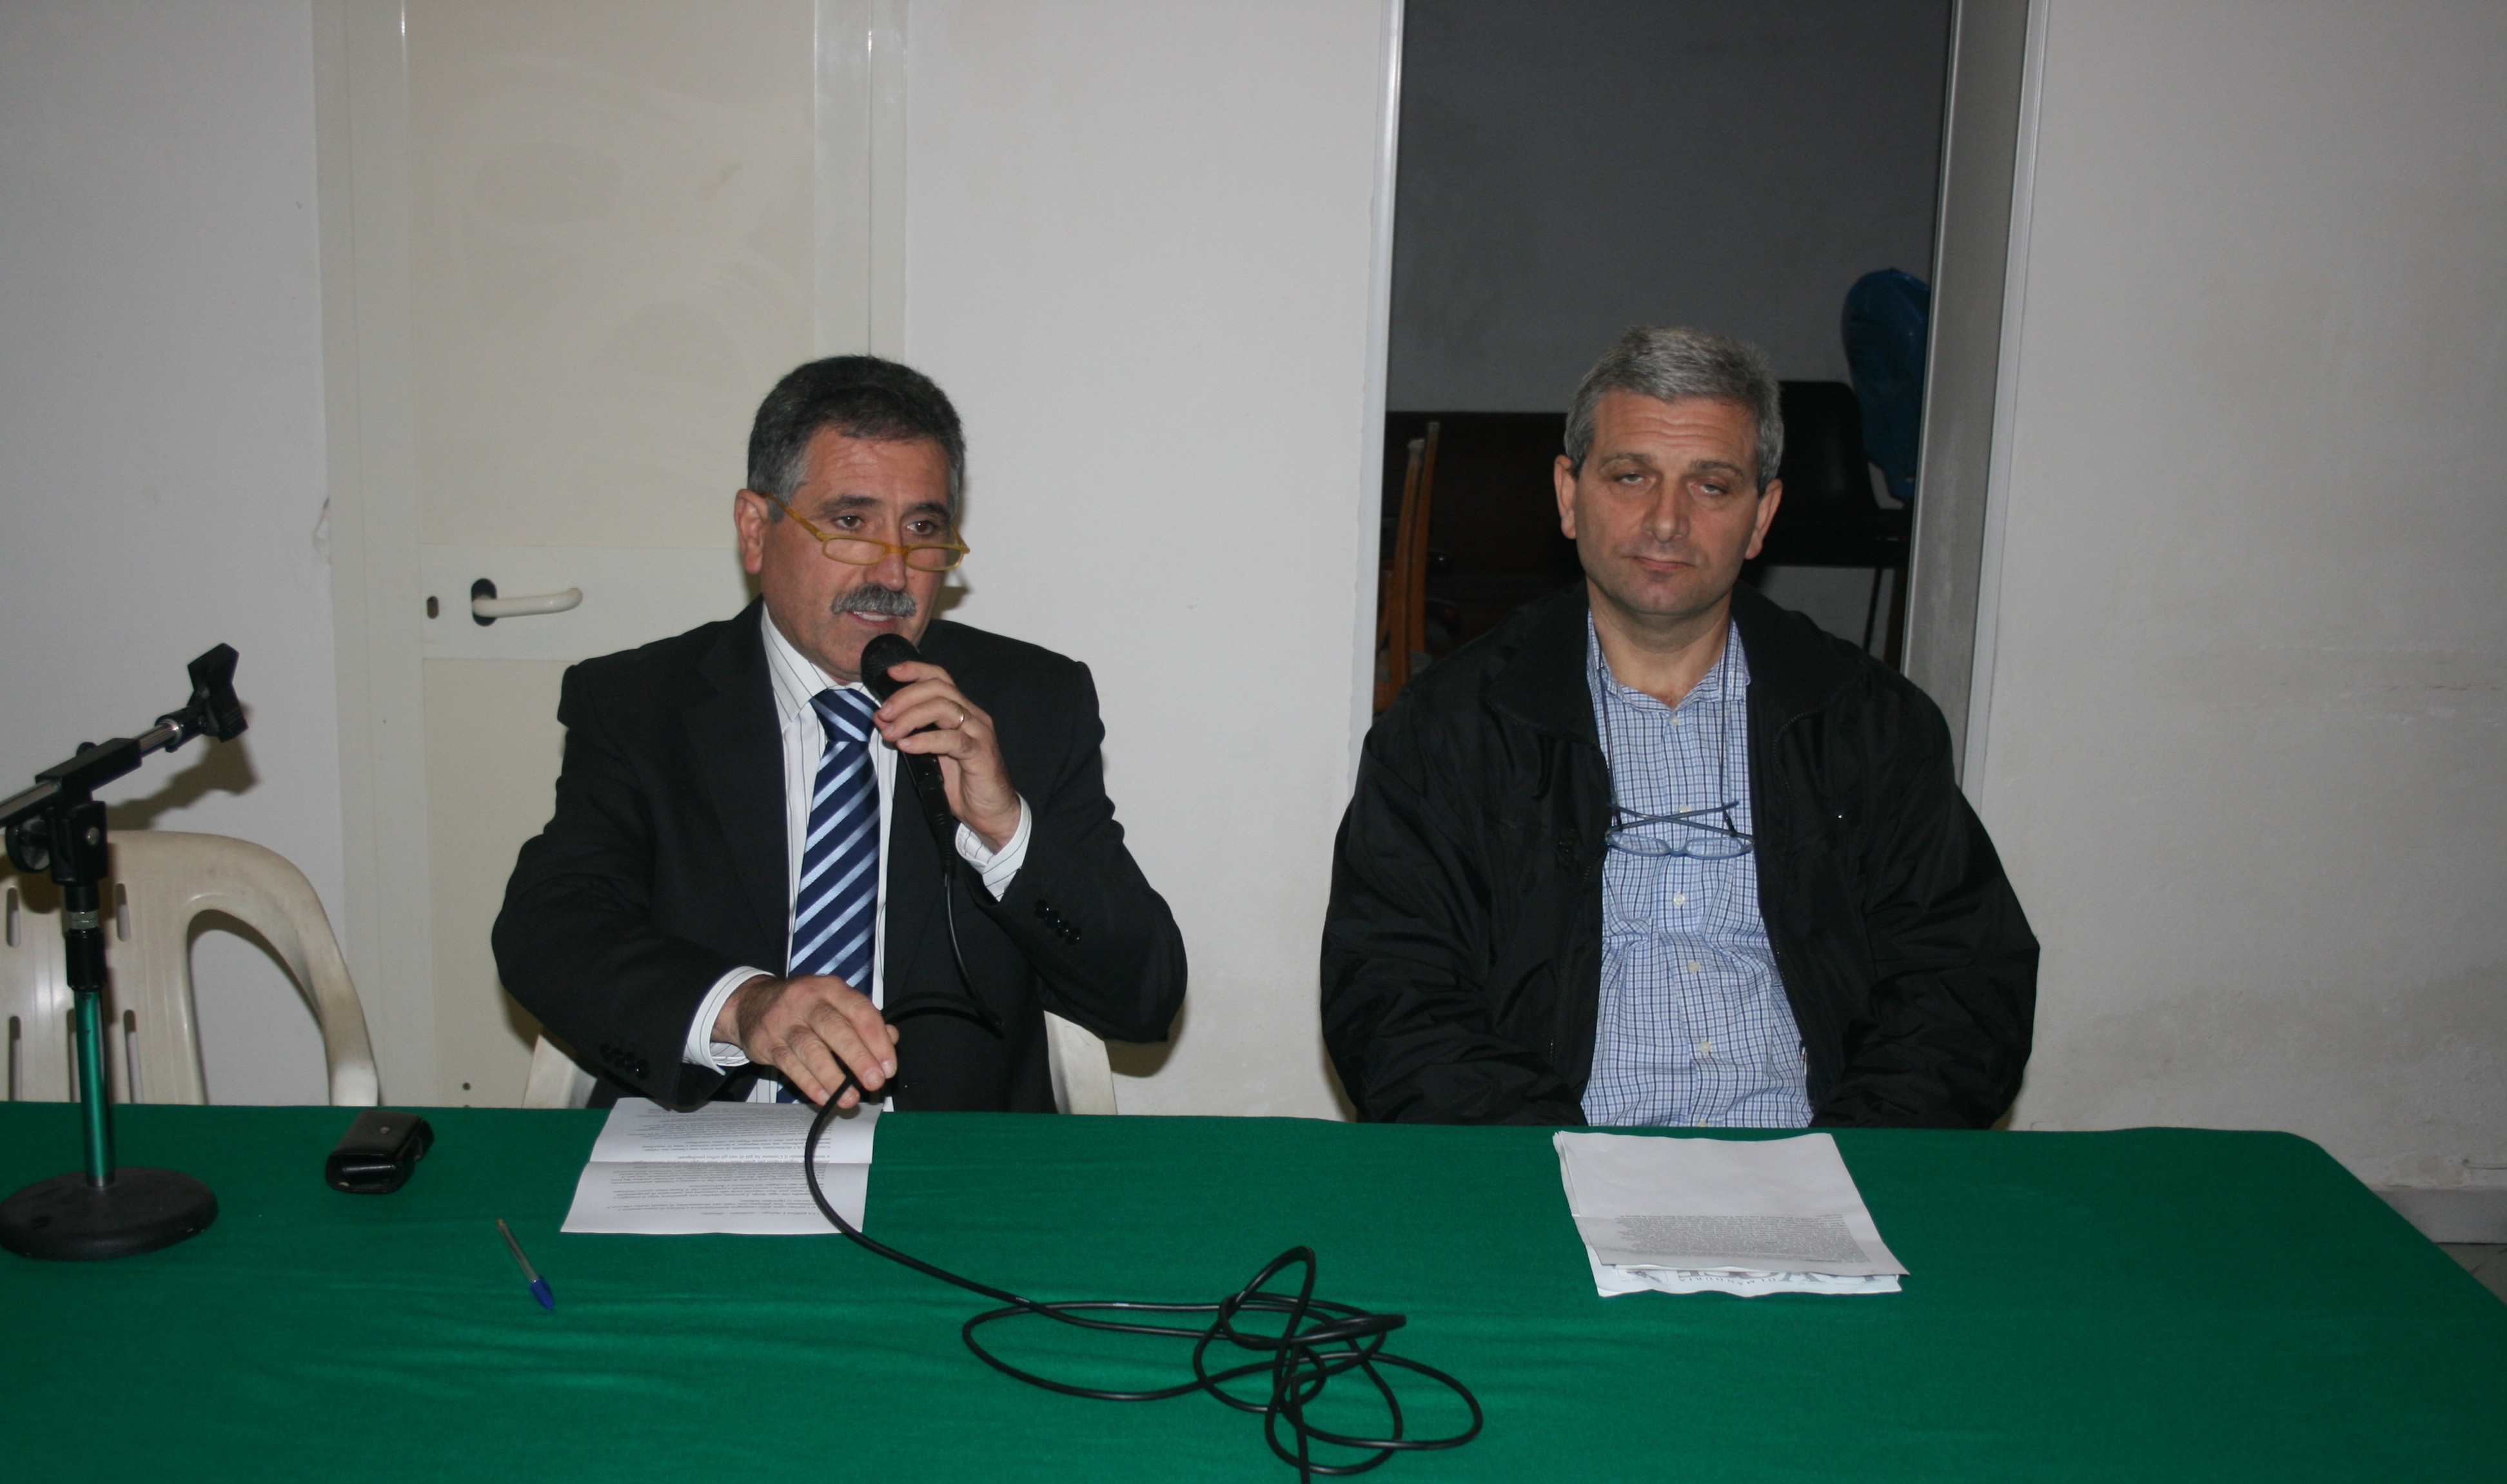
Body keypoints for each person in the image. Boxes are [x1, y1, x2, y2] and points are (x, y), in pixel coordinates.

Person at [1321, 326, 2035, 1128]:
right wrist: (1549, 1164)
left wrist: (1848, 1159)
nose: (1666, 521)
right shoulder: (1448, 730)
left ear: (1762, 516)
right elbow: (1394, 995)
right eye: (1631, 477)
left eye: (1712, 486)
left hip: (1818, 1154)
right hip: (1547, 1160)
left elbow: (1964, 987)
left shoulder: (1869, 725)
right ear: (1569, 495)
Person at [496, 355, 1185, 1111]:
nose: (892, 572)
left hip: (941, 1159)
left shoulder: (1029, 705)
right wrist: (741, 1008)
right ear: (756, 530)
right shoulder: (639, 704)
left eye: (922, 529)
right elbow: (549, 932)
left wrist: (1008, 834)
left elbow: (1144, 997)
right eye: (851, 523)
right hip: (705, 1140)